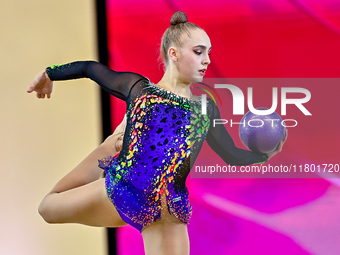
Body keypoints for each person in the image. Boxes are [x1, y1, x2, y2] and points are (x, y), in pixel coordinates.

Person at [27, 11, 287, 255]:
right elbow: (90, 68)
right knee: (47, 208)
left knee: (112, 149)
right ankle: (116, 144)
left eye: (208, 52)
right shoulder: (140, 90)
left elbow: (230, 155)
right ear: (173, 53)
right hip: (122, 191)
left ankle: (118, 142)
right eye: (198, 52)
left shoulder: (205, 109)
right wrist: (48, 74)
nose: (207, 60)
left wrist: (264, 155)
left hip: (163, 210)